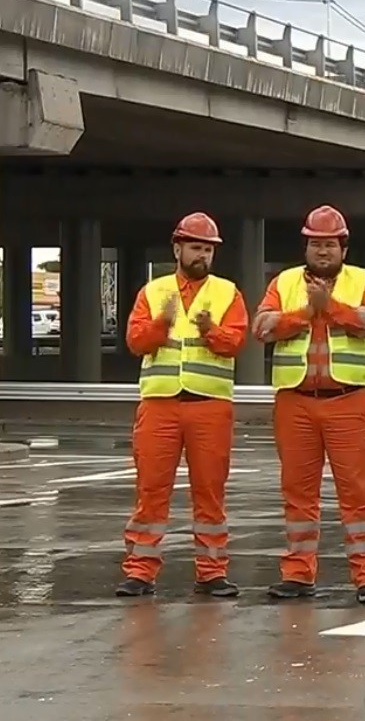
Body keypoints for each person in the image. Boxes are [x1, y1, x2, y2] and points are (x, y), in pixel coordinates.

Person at [252, 204, 365, 606]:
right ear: (306, 246)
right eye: (315, 244)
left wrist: (331, 309)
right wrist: (304, 314)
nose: (322, 251)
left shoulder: (362, 281)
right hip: (295, 401)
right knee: (297, 492)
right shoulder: (285, 282)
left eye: (330, 244)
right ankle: (297, 573)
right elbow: (261, 327)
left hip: (347, 401)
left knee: (358, 494)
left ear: (343, 248)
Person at [117, 212, 248, 598]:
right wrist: (162, 323)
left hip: (209, 405)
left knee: (210, 491)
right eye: (195, 247)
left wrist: (210, 330)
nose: (202, 255)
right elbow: (136, 341)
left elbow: (236, 342)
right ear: (177, 248)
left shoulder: (227, 293)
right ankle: (140, 571)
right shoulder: (154, 292)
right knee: (151, 489)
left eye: (207, 249)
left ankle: (212, 573)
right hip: (160, 404)